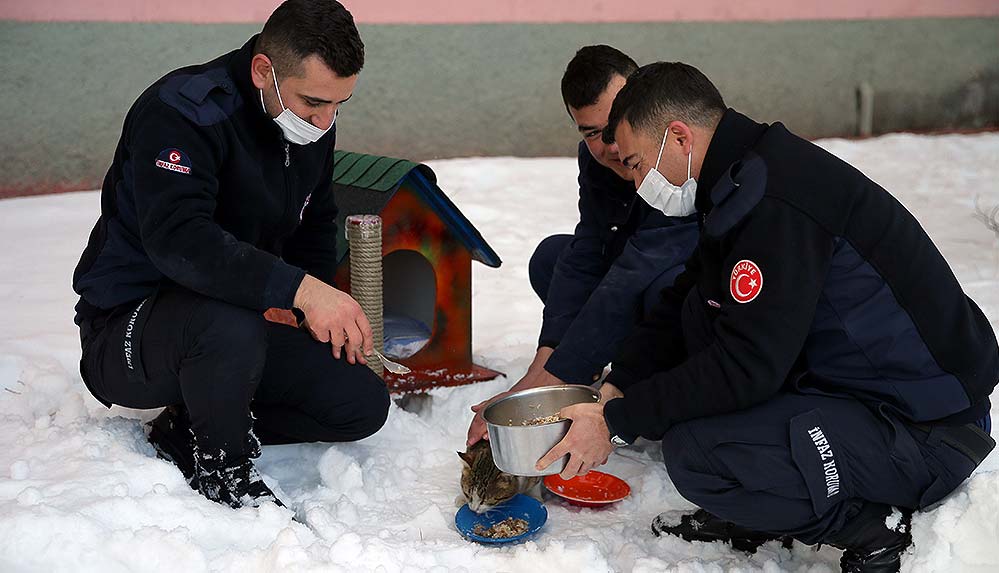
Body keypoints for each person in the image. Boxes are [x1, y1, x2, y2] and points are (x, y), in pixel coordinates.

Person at [537, 62, 997, 573]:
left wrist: (617, 421)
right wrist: (619, 385)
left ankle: (871, 527)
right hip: (865, 391)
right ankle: (772, 505)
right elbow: (689, 296)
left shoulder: (778, 203)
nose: (639, 184)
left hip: (926, 430)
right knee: (696, 323)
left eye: (640, 164)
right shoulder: (743, 177)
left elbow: (748, 367)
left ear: (679, 137)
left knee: (697, 454)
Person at [72, 0, 390, 509]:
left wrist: (314, 312)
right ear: (264, 71)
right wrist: (299, 290)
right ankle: (222, 468)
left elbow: (314, 225)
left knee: (359, 405)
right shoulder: (182, 112)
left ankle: (187, 426)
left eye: (339, 106)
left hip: (235, 326)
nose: (326, 120)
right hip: (129, 329)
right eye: (314, 102)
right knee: (225, 323)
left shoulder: (305, 124)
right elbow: (180, 242)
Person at [466, 46, 699, 446]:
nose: (610, 146)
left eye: (615, 126)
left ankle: (650, 388)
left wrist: (553, 379)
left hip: (693, 298)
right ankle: (590, 370)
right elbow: (589, 247)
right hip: (636, 277)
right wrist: (541, 369)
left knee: (664, 289)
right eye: (591, 133)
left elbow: (635, 273)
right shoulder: (597, 160)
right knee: (553, 258)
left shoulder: (675, 154)